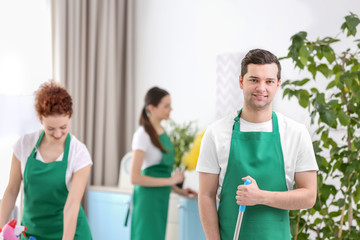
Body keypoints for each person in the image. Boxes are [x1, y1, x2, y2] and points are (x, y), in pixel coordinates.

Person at [197, 49, 318, 239]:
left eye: (269, 81)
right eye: (254, 80)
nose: (261, 88)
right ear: (241, 82)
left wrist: (260, 197)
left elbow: (309, 196)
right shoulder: (216, 133)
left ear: (278, 84)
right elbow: (205, 195)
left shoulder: (296, 133)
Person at [0, 81, 92, 240]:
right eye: (50, 129)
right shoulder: (24, 145)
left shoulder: (79, 153)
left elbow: (72, 205)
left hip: (69, 234)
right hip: (31, 233)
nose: (57, 134)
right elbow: (11, 190)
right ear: (40, 119)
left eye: (63, 127)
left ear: (70, 117)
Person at [130, 87, 197, 240]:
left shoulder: (163, 132)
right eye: (166, 106)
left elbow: (162, 176)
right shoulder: (142, 135)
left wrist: (180, 190)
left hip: (161, 198)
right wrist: (171, 180)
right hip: (147, 201)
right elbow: (135, 178)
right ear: (152, 108)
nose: (170, 109)